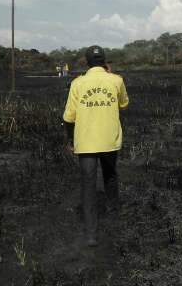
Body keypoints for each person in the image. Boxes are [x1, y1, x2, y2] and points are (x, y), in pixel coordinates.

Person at [62, 45, 129, 247]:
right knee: (110, 175)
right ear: (105, 62)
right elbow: (123, 104)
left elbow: (68, 117)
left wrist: (70, 140)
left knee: (88, 185)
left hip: (86, 141)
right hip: (109, 139)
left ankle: (91, 234)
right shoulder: (117, 80)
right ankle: (114, 214)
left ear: (87, 62)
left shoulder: (77, 83)